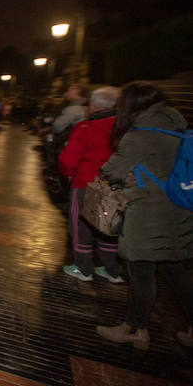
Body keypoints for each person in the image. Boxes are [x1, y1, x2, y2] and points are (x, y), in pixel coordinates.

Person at [96, 83, 193, 350]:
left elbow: (111, 171)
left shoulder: (139, 135)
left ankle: (135, 328)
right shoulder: (177, 128)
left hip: (147, 215)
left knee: (141, 270)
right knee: (175, 270)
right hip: (180, 210)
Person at [58, 87, 123, 284]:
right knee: (110, 224)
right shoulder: (124, 127)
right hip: (115, 186)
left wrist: (69, 175)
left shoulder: (86, 128)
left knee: (81, 226)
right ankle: (111, 270)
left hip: (85, 183)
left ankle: (83, 268)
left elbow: (68, 160)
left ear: (93, 105)